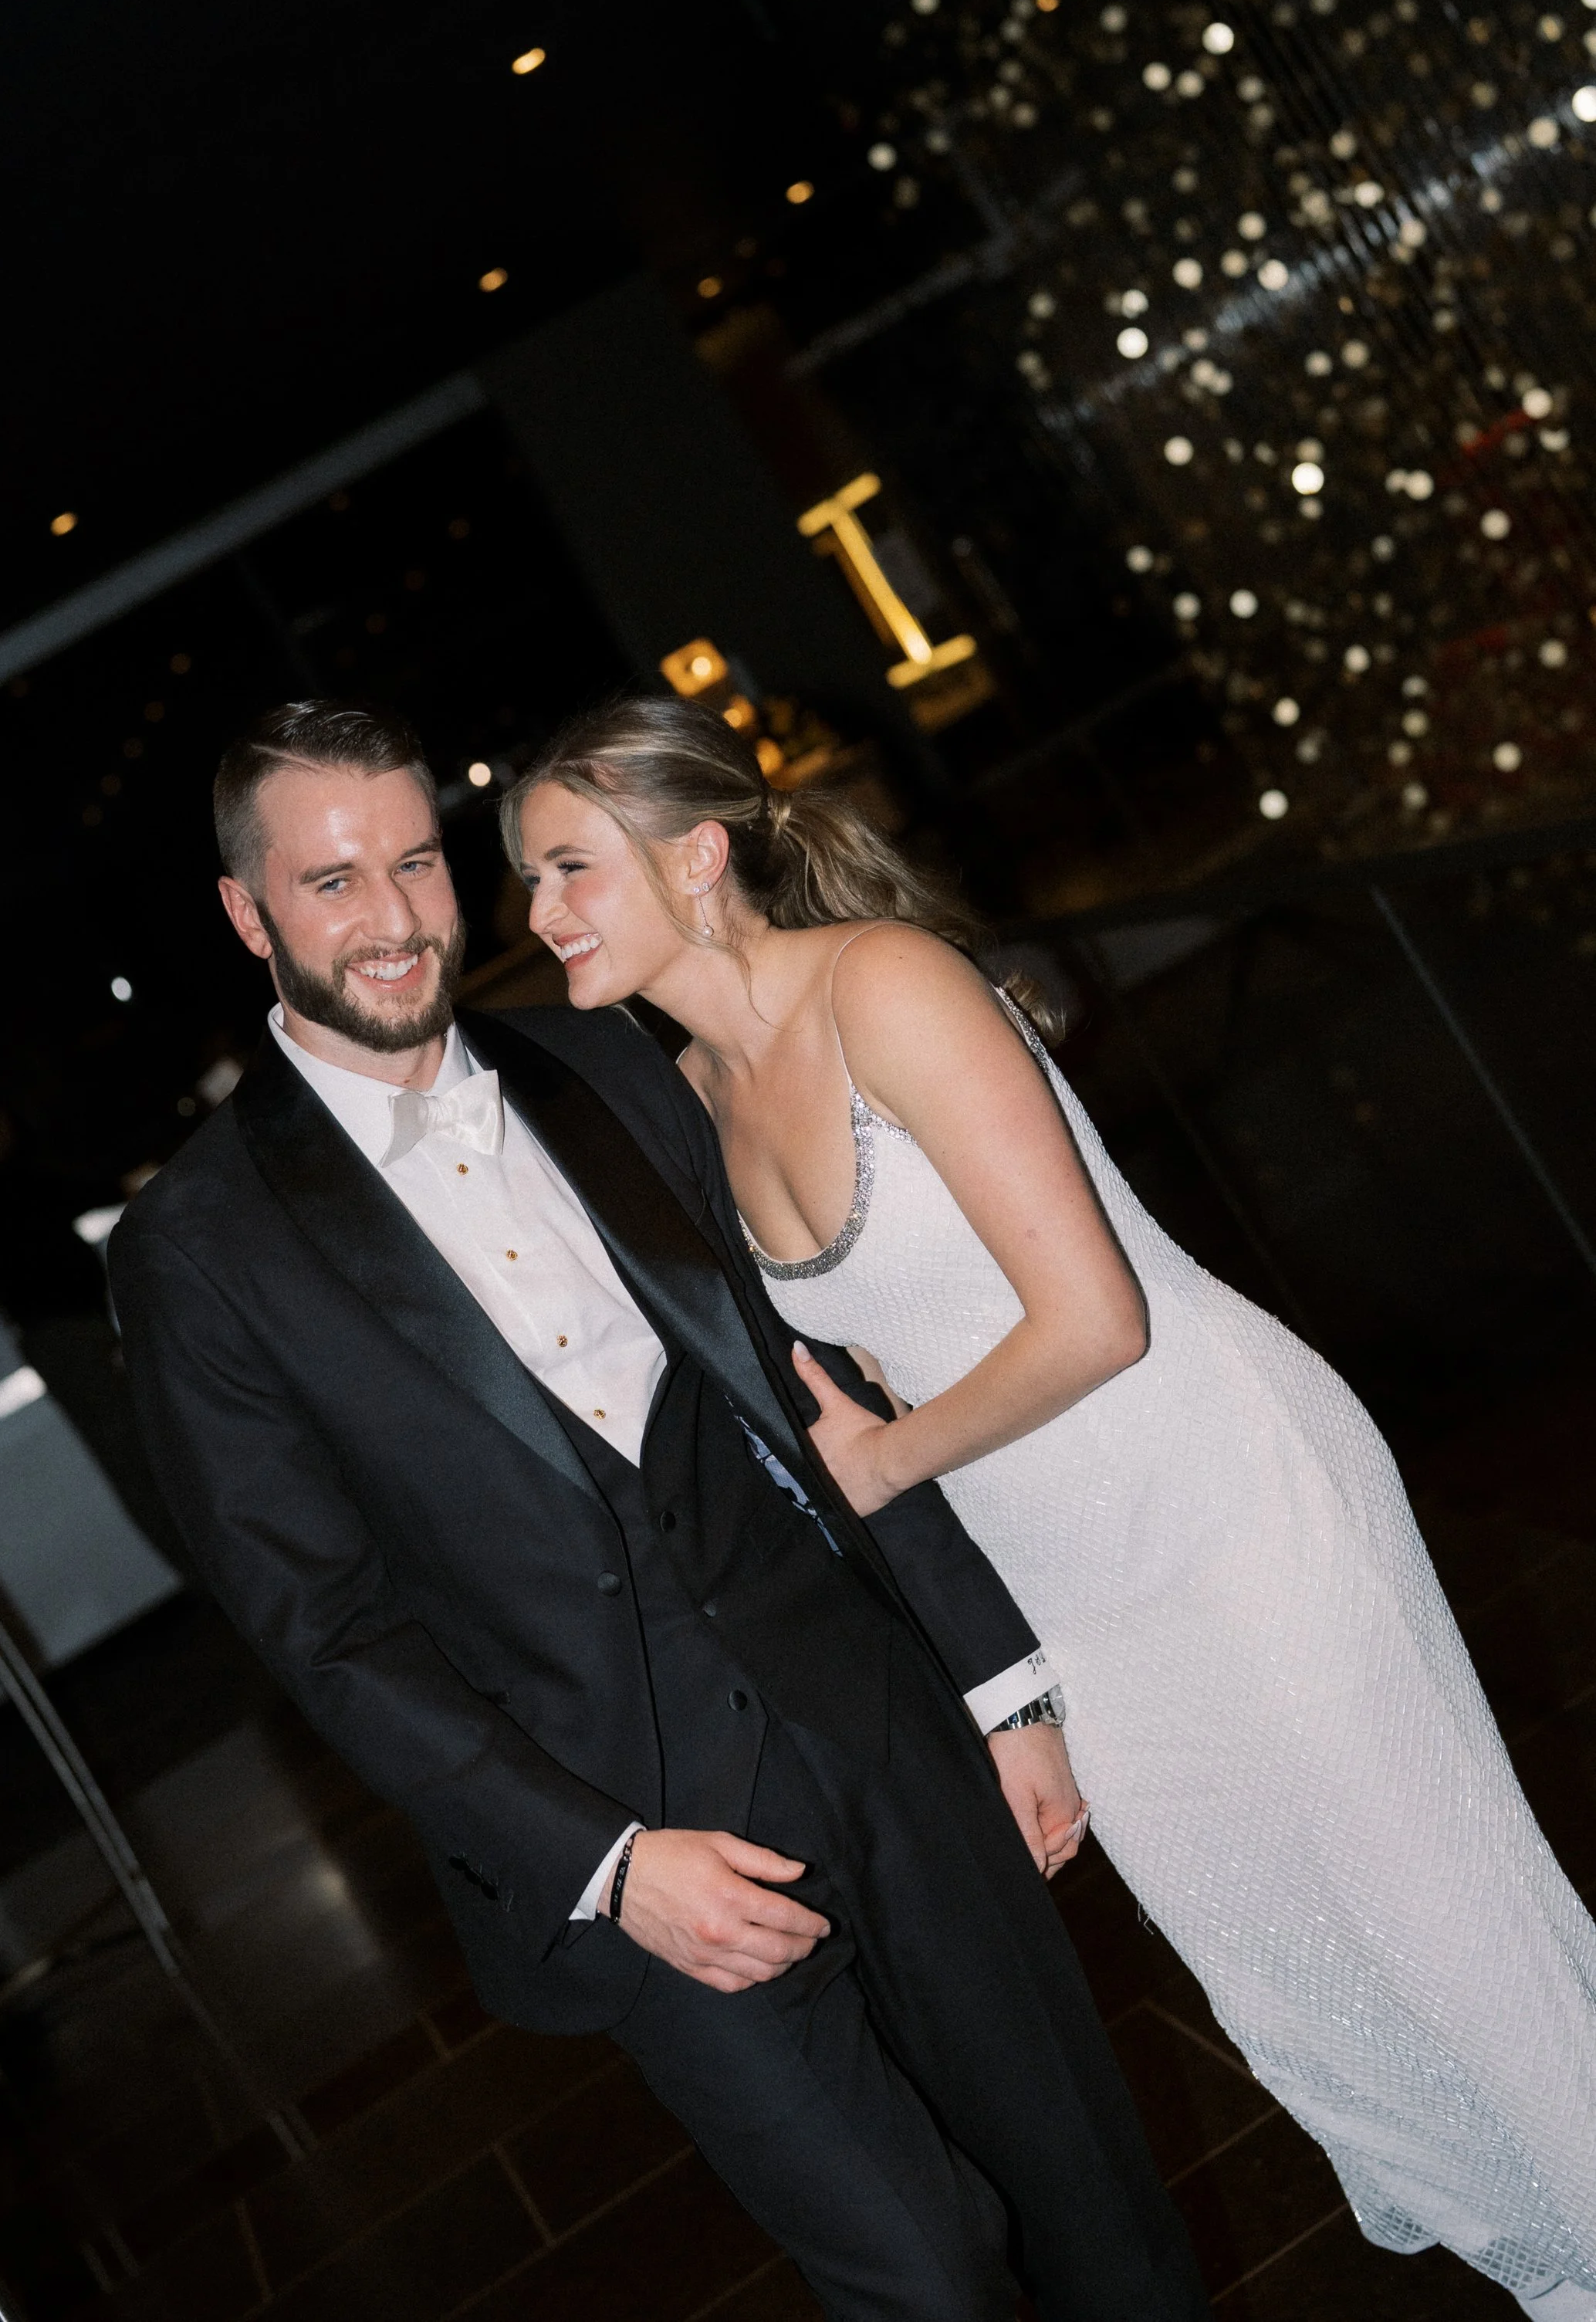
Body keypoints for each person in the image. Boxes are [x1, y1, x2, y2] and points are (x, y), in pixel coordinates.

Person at [112, 697, 1210, 2322]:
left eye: (413, 863)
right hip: (636, 1847)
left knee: (1095, 2206)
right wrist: (608, 1861)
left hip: (876, 1721)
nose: (396, 918)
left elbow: (807, 1380)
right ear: (246, 911)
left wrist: (999, 1680)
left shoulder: (594, 1059)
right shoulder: (196, 1251)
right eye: (332, 882)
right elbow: (326, 1635)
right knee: (923, 2273)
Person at [509, 690, 1596, 2320]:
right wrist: (1007, 1683)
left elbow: (1095, 1317)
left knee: (1449, 1930)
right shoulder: (711, 1111)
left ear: (696, 857)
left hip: (1227, 1499)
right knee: (1297, 1990)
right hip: (1085, 1599)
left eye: (566, 868)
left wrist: (877, 1460)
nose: (535, 917)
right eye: (528, 881)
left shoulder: (885, 981)